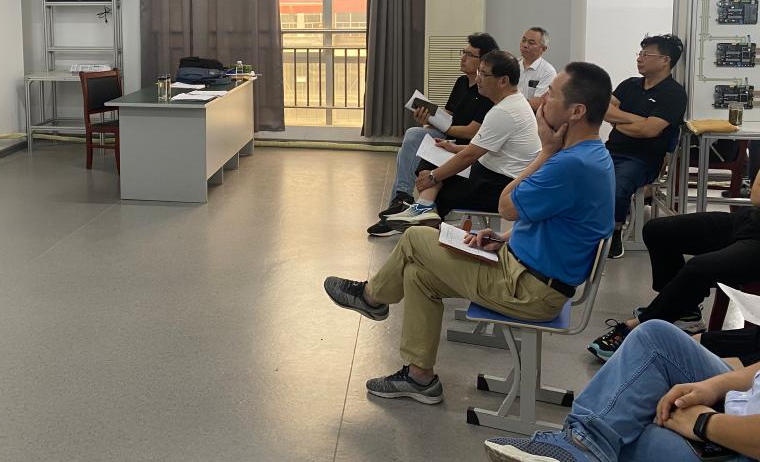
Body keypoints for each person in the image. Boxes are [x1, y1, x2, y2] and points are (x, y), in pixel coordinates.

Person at [325, 63, 614, 405]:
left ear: (576, 111)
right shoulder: (591, 155)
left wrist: (546, 152)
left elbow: (506, 206)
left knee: (416, 237)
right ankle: (419, 378)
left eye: (551, 94)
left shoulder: (569, 163)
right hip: (528, 272)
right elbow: (558, 220)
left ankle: (372, 298)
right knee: (418, 275)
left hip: (529, 290)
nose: (542, 100)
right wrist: (505, 238)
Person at [483, 321, 760, 462]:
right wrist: (712, 387)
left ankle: (582, 446)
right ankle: (581, 445)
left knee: (626, 430)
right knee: (654, 337)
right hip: (745, 408)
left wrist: (704, 423)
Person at [587, 175, 760, 361]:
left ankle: (642, 325)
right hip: (750, 221)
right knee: (657, 231)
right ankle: (685, 314)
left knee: (698, 268)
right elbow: (756, 195)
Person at [368, 50, 540, 236]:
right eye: (479, 72)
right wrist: (453, 148)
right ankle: (423, 208)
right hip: (494, 173)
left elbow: (470, 156)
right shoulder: (512, 102)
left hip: (500, 186)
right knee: (436, 152)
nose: (478, 78)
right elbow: (487, 148)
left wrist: (433, 177)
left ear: (503, 81)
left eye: (484, 74)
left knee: (439, 182)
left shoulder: (504, 111)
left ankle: (424, 218)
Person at [382, 32, 497, 217]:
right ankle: (401, 198)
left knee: (412, 139)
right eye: (463, 52)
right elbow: (448, 115)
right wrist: (429, 120)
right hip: (449, 136)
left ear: (483, 62)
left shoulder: (486, 91)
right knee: (412, 140)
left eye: (469, 55)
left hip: (465, 144)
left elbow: (471, 132)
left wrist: (444, 128)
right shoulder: (461, 82)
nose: (463, 58)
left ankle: (401, 200)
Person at [604, 34, 687, 259]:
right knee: (575, 173)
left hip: (644, 158)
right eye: (640, 53)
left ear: (665, 60)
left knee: (617, 186)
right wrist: (636, 120)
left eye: (646, 54)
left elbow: (649, 131)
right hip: (610, 149)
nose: (639, 58)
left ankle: (614, 234)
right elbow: (605, 111)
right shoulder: (629, 85)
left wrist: (619, 121)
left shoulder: (674, 94)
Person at [518, 26, 557, 112]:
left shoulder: (548, 72)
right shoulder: (513, 65)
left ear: (543, 49)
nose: (525, 45)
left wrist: (510, 104)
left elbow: (538, 103)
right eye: (523, 40)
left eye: (531, 43)